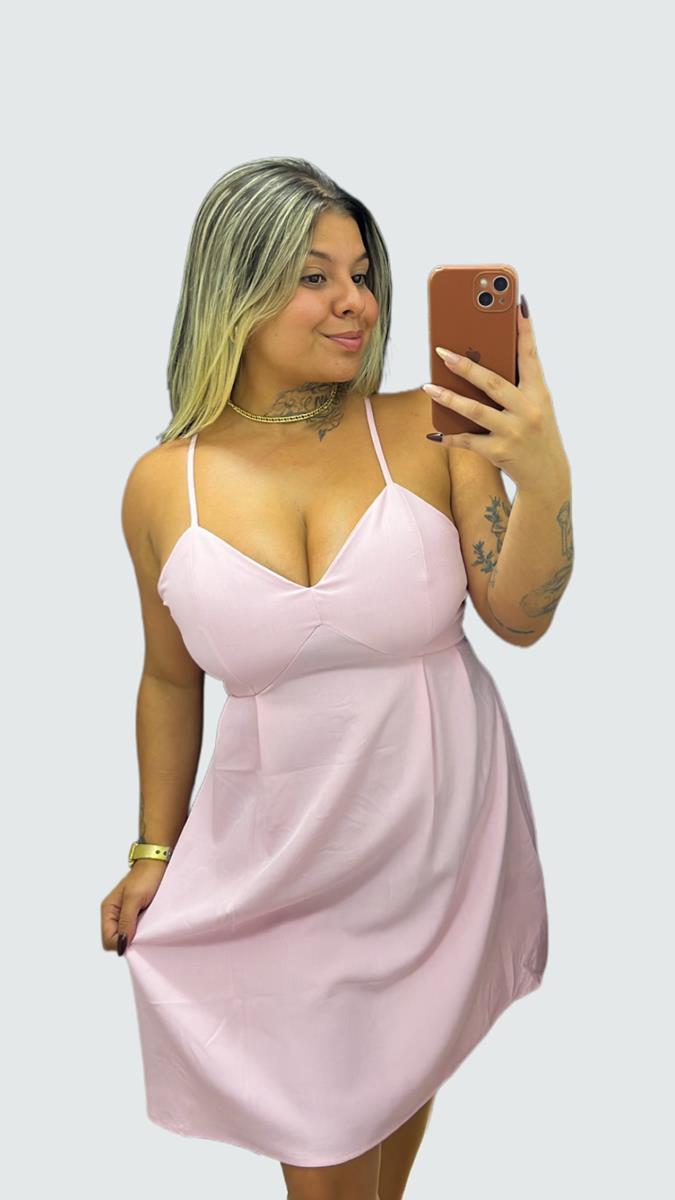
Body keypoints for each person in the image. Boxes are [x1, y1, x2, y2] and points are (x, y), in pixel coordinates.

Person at [101, 156, 569, 1199]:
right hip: (278, 867)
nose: (355, 301)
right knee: (328, 1166)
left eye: (362, 273)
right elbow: (169, 682)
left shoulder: (427, 426)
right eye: (314, 276)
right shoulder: (161, 485)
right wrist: (149, 853)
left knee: (369, 1155)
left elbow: (520, 616)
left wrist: (541, 474)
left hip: (434, 854)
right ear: (236, 285)